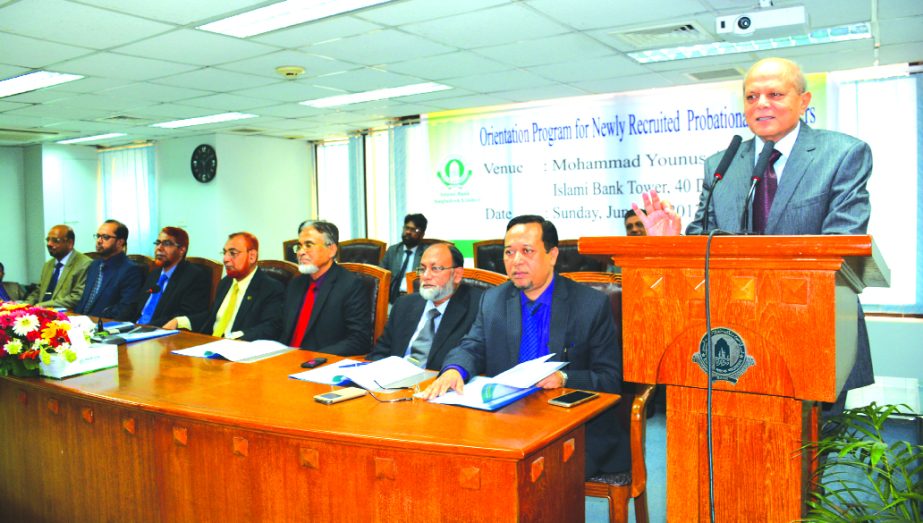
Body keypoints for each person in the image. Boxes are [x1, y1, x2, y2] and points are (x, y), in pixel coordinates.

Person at [636, 57, 874, 395]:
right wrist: (671, 243)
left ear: (803, 101)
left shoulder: (843, 154)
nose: (761, 104)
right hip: (735, 332)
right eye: (751, 97)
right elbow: (704, 241)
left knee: (819, 443)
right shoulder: (722, 164)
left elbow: (841, 243)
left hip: (814, 329)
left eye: (775, 94)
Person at [422, 215, 628, 478]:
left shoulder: (589, 305)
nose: (516, 261)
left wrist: (563, 377)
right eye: (509, 252)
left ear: (552, 255)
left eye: (527, 251)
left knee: (535, 475)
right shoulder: (493, 300)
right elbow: (472, 346)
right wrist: (454, 370)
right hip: (505, 422)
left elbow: (609, 378)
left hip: (572, 429)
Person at [366, 243, 483, 371]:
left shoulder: (478, 307)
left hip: (437, 383)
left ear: (457, 275)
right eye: (422, 269)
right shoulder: (403, 305)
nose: (425, 276)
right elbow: (379, 353)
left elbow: (475, 358)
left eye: (435, 268)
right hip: (393, 383)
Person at [164, 232, 284, 341]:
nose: (225, 259)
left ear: (252, 256)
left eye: (233, 253)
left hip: (237, 354)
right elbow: (213, 317)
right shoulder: (225, 283)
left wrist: (234, 338)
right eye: (225, 252)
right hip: (209, 347)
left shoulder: (270, 288)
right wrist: (180, 321)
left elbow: (270, 328)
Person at [281, 220, 372, 355]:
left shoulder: (350, 286)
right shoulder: (295, 284)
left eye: (308, 245)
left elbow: (359, 340)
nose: (300, 252)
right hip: (284, 360)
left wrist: (316, 358)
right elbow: (282, 327)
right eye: (299, 246)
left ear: (331, 250)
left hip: (319, 363)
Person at [125, 226, 210, 326]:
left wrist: (144, 328)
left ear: (182, 250)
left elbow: (183, 316)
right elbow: (136, 305)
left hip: (160, 334)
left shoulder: (194, 276)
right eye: (157, 243)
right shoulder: (154, 274)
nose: (159, 248)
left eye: (167, 244)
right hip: (135, 329)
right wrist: (115, 324)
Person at [73, 220, 145, 320]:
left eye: (105, 237)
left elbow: (125, 309)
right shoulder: (94, 265)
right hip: (82, 322)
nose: (99, 241)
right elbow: (85, 301)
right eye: (98, 236)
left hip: (104, 325)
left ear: (120, 242)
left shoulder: (130, 270)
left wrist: (95, 321)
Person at [23, 225, 93, 309]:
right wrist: (24, 306)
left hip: (66, 315)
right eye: (48, 240)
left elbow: (76, 297)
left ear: (70, 243)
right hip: (41, 313)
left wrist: (41, 306)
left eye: (55, 240)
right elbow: (39, 291)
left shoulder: (84, 264)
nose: (49, 244)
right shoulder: (48, 265)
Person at [381, 213, 427, 303]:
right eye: (406, 228)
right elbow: (380, 275)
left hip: (416, 300)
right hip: (392, 299)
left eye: (414, 230)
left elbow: (423, 276)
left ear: (422, 234)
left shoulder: (426, 253)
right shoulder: (393, 251)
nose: (408, 232)